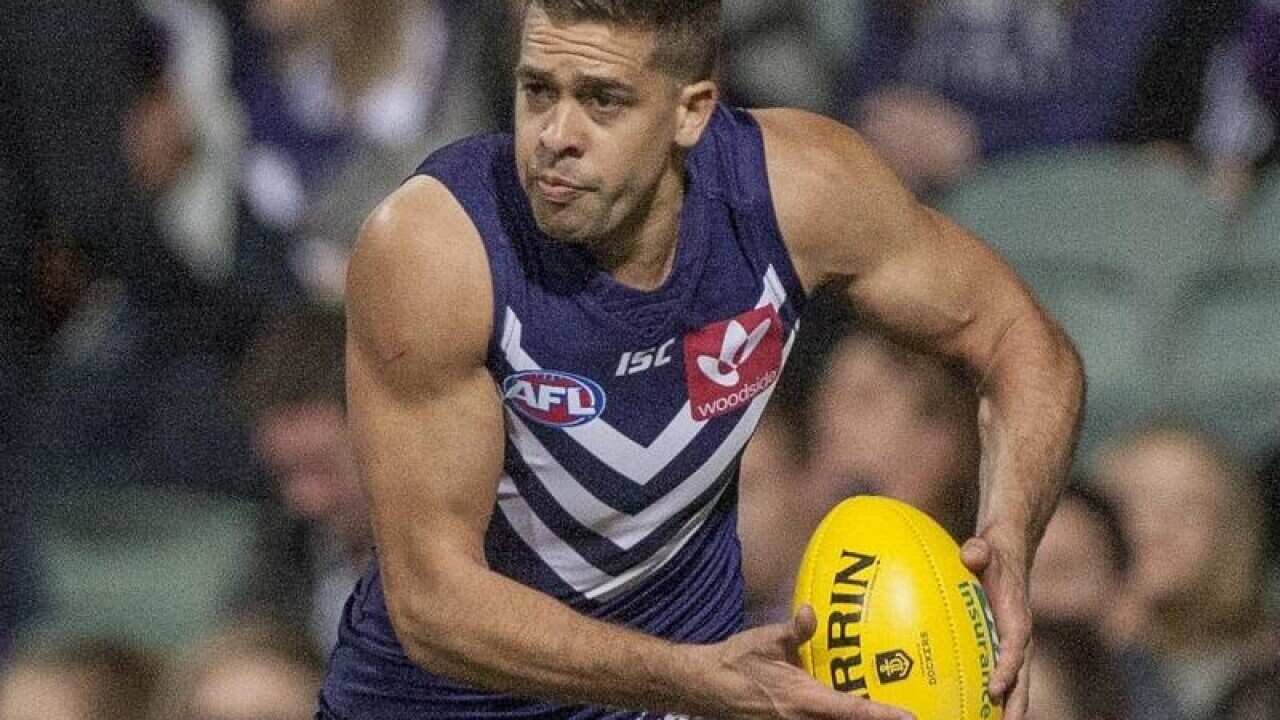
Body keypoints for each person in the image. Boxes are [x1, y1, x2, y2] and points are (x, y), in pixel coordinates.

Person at [325, 1, 1085, 718]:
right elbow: (433, 605)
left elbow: (1022, 340)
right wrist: (693, 675)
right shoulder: (435, 248)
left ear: (691, 110)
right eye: (538, 90)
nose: (556, 133)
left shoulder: (799, 192)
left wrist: (1011, 539)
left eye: (603, 100)